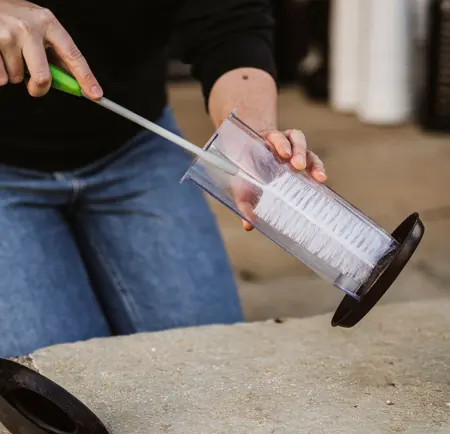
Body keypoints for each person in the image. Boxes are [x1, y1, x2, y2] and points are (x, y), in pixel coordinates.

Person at [0, 0, 327, 358]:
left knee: (215, 363)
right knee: (62, 382)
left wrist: (249, 136)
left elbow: (231, 19)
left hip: (133, 143)